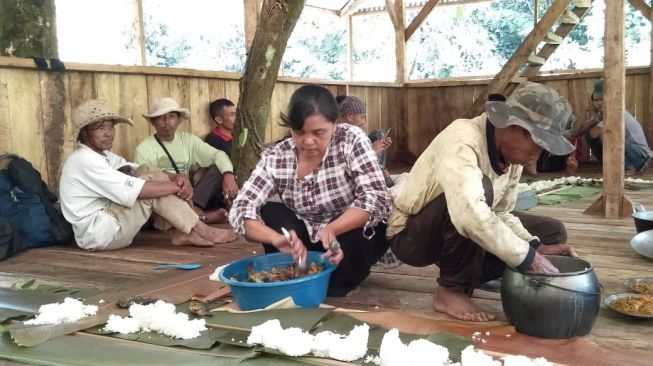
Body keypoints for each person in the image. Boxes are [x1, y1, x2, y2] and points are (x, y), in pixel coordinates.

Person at [387, 82, 578, 322]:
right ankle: (451, 290)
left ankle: (481, 271)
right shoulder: (463, 139)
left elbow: (501, 212)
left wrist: (534, 247)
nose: (537, 157)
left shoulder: (512, 157)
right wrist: (528, 258)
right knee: (480, 194)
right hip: (413, 236)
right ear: (515, 128)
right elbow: (470, 213)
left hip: (462, 226)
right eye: (539, 146)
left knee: (551, 232)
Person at [229, 84, 392, 297]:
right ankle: (296, 262)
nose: (308, 141)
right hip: (304, 238)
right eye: (299, 132)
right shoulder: (277, 156)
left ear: (335, 123)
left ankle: (341, 275)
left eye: (318, 132)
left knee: (335, 286)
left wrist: (333, 229)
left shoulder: (351, 139)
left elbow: (376, 197)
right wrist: (275, 238)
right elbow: (242, 207)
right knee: (269, 212)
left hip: (348, 233)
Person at [59, 99, 236, 251]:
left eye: (110, 127)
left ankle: (182, 232)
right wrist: (179, 185)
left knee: (150, 171)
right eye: (100, 128)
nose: (108, 133)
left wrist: (177, 177)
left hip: (112, 224)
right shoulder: (84, 160)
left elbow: (139, 169)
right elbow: (139, 190)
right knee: (151, 179)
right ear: (84, 133)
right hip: (101, 234)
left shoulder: (103, 156)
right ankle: (201, 229)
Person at [134, 97, 238, 220]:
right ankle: (201, 217)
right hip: (163, 199)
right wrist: (173, 184)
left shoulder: (188, 141)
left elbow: (218, 155)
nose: (167, 121)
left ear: (179, 120)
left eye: (172, 116)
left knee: (219, 169)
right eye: (161, 117)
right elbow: (142, 183)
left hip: (188, 194)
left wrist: (228, 175)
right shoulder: (145, 148)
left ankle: (196, 212)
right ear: (153, 122)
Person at [573, 80, 653, 175]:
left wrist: (593, 123)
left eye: (602, 99)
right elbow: (576, 133)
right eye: (595, 100)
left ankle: (630, 168)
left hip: (640, 156)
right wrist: (584, 111)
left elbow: (594, 134)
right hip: (630, 154)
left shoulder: (617, 113)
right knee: (589, 135)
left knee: (605, 134)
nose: (598, 103)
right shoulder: (600, 115)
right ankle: (611, 166)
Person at [337, 95, 394, 187]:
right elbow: (348, 166)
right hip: (349, 178)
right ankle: (382, 173)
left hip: (364, 162)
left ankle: (381, 170)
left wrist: (375, 150)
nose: (363, 122)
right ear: (350, 116)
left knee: (378, 134)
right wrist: (373, 153)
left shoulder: (352, 132)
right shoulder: (340, 135)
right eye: (362, 117)